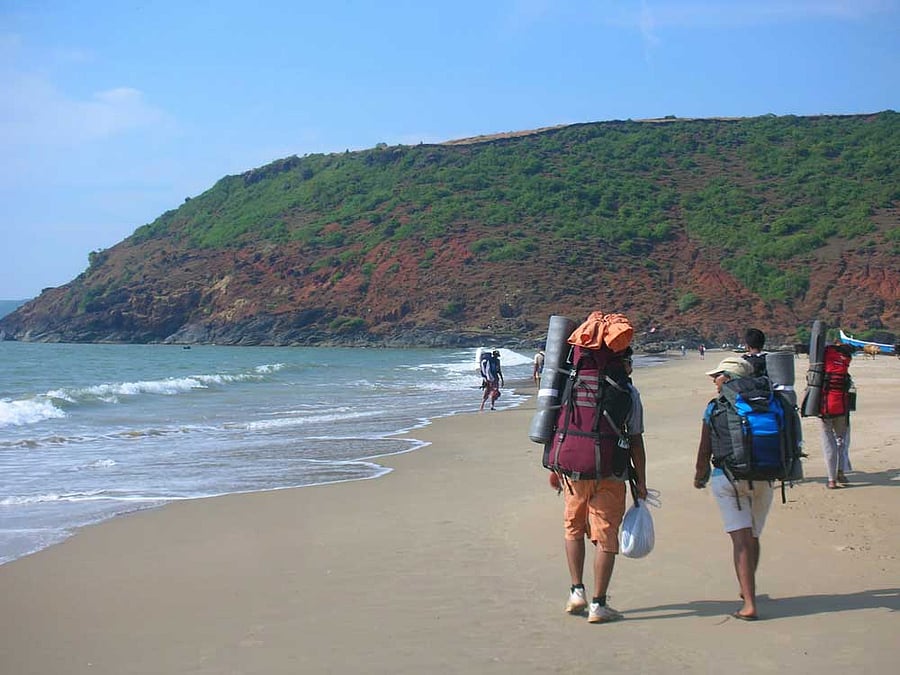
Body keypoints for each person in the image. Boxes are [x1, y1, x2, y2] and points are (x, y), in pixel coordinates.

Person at [563, 348, 648, 624]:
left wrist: (555, 468)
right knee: (606, 535)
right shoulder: (628, 392)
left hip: (574, 469)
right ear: (623, 362)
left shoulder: (575, 383)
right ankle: (598, 604)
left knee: (573, 528)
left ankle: (577, 591)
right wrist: (642, 482)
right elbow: (635, 440)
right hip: (612, 472)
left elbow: (560, 426)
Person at [693, 355, 771, 621]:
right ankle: (746, 587)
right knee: (754, 536)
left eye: (718, 376)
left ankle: (749, 603)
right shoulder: (769, 403)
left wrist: (699, 475)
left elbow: (705, 446)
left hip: (727, 477)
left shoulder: (715, 407)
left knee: (740, 540)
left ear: (728, 377)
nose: (715, 381)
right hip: (764, 475)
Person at [820, 343, 853, 489]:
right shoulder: (846, 359)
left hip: (825, 406)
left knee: (828, 442)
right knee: (842, 441)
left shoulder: (826, 354)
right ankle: (841, 471)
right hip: (842, 405)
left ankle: (831, 480)